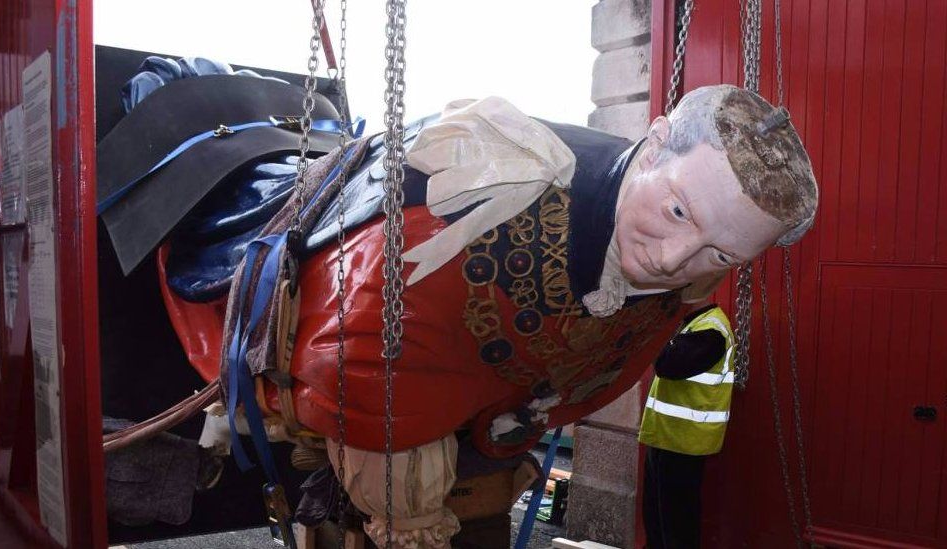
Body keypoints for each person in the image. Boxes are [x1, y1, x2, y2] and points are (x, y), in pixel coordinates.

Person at [152, 84, 818, 547]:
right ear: (655, 141)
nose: (677, 258)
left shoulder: (677, 284)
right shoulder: (462, 216)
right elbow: (363, 355)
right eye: (676, 211)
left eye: (720, 252)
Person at [639, 301, 735, 548]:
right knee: (656, 520)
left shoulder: (711, 330)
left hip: (685, 443)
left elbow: (667, 364)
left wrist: (655, 329)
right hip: (665, 437)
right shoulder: (691, 325)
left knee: (677, 525)